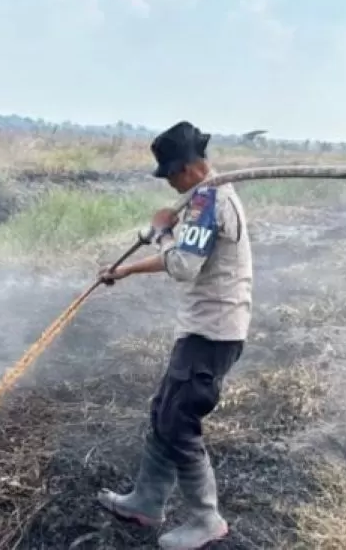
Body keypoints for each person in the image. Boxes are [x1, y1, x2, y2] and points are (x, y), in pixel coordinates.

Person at [94, 120, 253, 550]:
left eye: (168, 175)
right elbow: (180, 256)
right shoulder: (211, 197)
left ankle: (207, 520)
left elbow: (182, 265)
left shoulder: (207, 201)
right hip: (205, 331)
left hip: (212, 334)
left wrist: (163, 229)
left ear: (187, 168)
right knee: (164, 409)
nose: (167, 183)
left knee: (180, 423)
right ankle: (146, 501)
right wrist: (125, 270)